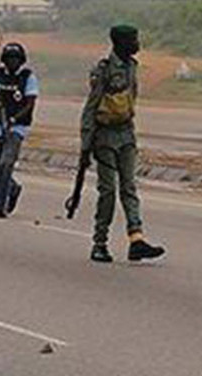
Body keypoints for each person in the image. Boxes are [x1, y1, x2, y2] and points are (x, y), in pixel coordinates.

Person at [79, 24, 165, 264]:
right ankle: (99, 243)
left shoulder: (132, 67)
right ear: (120, 43)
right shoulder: (103, 70)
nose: (137, 44)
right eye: (133, 40)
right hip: (104, 138)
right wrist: (86, 145)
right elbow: (91, 107)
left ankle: (136, 239)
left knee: (129, 188)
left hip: (126, 134)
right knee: (108, 192)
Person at [0, 42, 38, 218]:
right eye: (9, 59)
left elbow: (30, 104)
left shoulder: (28, 77)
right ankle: (12, 188)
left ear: (21, 61)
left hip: (17, 127)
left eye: (16, 59)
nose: (12, 62)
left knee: (6, 164)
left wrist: (14, 119)